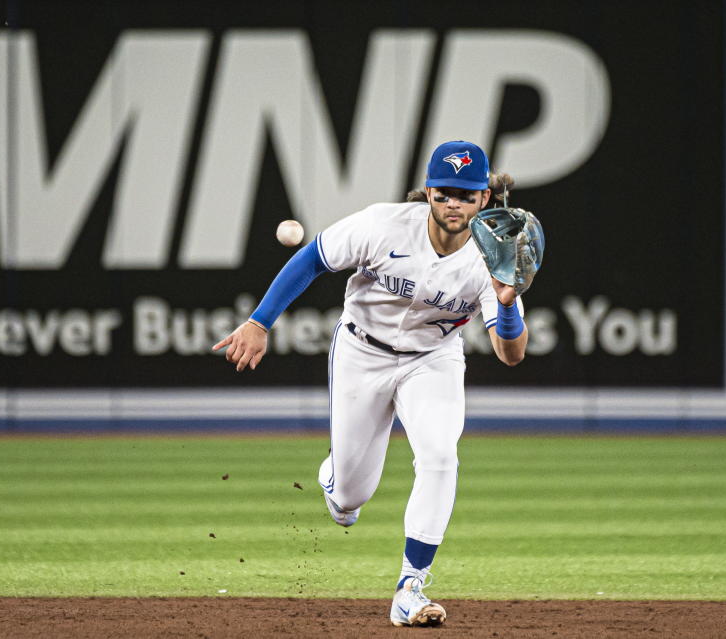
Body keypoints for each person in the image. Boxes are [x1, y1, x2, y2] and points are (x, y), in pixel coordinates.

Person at [212, 140, 529, 627]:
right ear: (427, 191)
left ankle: (410, 587)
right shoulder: (383, 224)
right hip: (362, 352)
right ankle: (336, 479)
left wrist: (506, 303)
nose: (453, 204)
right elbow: (312, 259)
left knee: (441, 456)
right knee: (349, 499)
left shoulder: (494, 258)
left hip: (433, 359)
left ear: (484, 198)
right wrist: (259, 321)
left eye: (466, 195)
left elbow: (511, 354)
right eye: (444, 193)